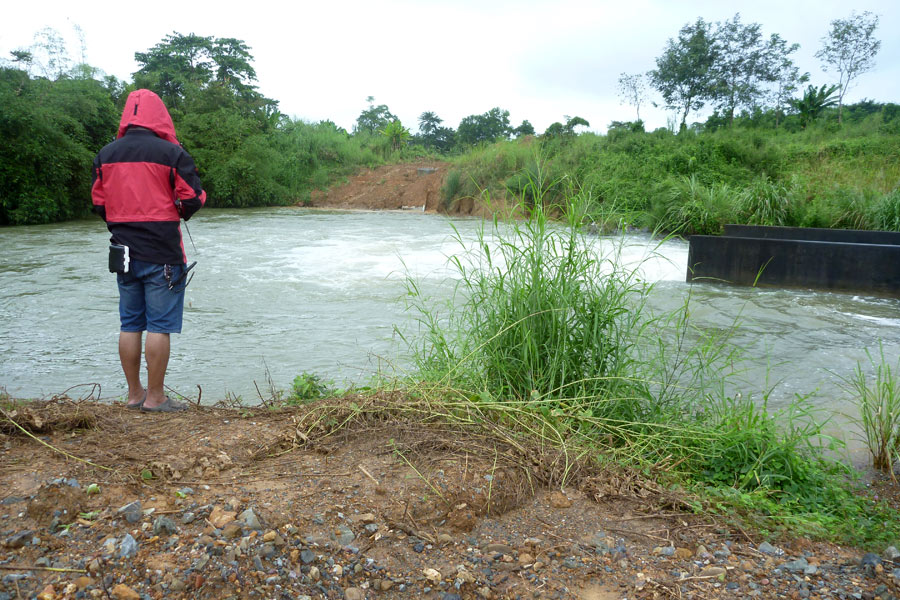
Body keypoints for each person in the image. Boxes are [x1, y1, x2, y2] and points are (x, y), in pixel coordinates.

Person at [91, 89, 206, 412]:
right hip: (162, 253)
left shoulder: (105, 154)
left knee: (130, 324)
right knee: (159, 326)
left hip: (122, 253)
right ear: (160, 116)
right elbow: (192, 199)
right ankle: (155, 398)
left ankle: (134, 394)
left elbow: (99, 204)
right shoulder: (172, 154)